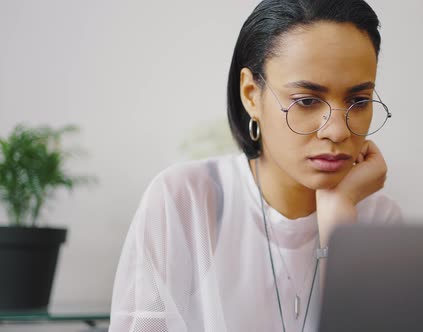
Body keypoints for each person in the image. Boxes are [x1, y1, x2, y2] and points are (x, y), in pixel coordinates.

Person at [109, 0, 402, 331]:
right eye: (306, 101)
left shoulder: (377, 220)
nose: (337, 130)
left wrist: (340, 225)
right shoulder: (187, 201)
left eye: (359, 101)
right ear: (251, 94)